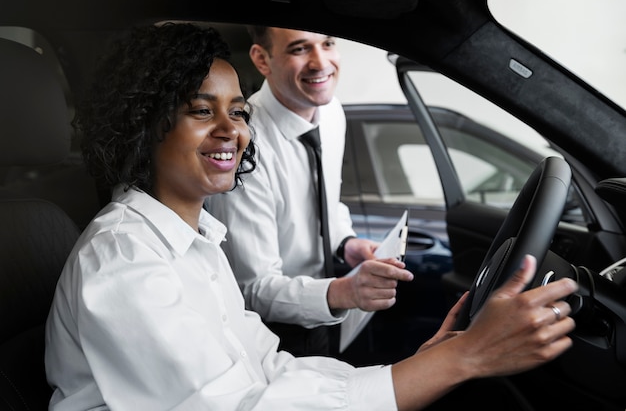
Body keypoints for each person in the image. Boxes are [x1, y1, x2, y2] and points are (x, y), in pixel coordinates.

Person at [44, 22, 579, 410]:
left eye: (237, 111)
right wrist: (465, 359)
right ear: (146, 124)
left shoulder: (197, 239)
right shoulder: (125, 260)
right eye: (201, 111)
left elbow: (266, 367)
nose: (231, 130)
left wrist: (419, 366)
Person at [206, 26, 413, 357]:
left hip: (324, 312)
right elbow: (252, 288)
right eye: (300, 49)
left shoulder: (333, 113)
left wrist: (346, 243)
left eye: (328, 43)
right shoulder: (242, 144)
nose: (321, 63)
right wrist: (343, 293)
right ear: (262, 59)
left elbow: (328, 200)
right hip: (270, 335)